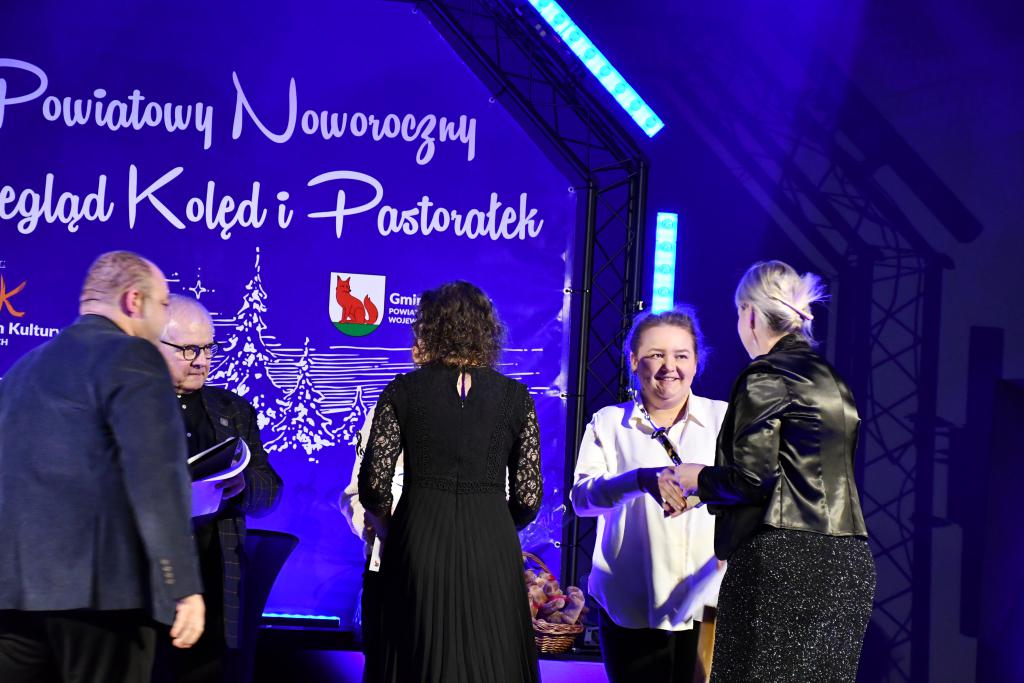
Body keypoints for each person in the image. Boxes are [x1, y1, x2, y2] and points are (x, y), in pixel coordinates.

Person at [0, 251, 204, 683]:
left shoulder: (22, 369)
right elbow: (156, 477)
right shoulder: (133, 356)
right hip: (103, 598)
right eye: (163, 303)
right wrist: (182, 585)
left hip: (14, 597)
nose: (163, 317)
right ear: (134, 301)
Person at [673, 260, 876, 682]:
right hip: (848, 563)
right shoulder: (833, 380)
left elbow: (752, 479)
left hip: (784, 565)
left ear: (749, 313)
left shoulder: (764, 376)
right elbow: (802, 475)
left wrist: (699, 478)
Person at [358, 280, 542, 682]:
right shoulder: (516, 398)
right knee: (492, 661)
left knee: (414, 656)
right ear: (487, 329)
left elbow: (373, 486)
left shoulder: (402, 391)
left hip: (418, 536)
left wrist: (392, 530)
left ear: (429, 328)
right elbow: (529, 498)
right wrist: (494, 521)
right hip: (492, 539)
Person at [571, 307, 727, 683]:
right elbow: (582, 500)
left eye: (681, 355)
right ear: (634, 361)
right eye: (656, 354)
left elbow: (749, 490)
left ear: (696, 362)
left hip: (706, 600)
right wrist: (639, 480)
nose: (669, 367)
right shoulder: (609, 423)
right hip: (629, 602)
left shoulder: (722, 419)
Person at [153, 294, 283, 683]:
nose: (202, 360)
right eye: (189, 349)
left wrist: (241, 485)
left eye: (208, 348)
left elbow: (270, 491)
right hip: (146, 585)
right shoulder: (132, 406)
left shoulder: (233, 411)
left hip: (213, 585)